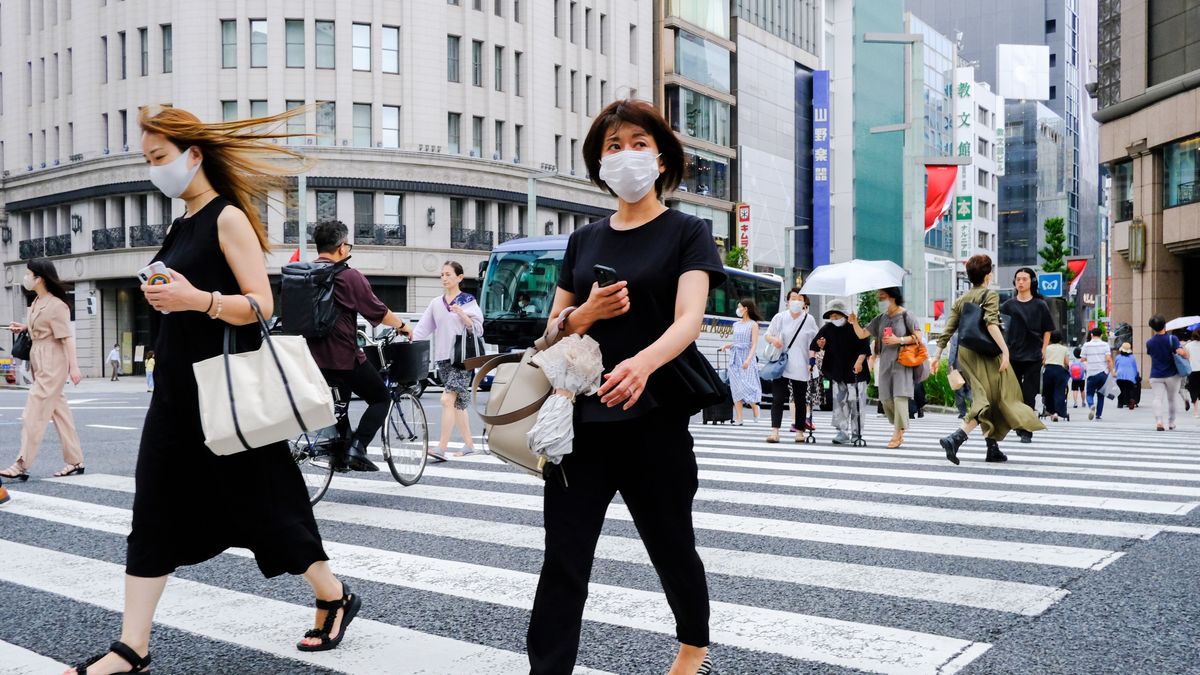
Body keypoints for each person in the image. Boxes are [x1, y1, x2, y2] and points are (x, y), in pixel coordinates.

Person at [64, 106, 359, 675]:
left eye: (159, 158)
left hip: (223, 394)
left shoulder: (226, 217)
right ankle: (132, 648)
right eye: (147, 160)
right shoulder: (180, 223)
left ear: (192, 154)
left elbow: (263, 305)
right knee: (153, 510)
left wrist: (197, 300)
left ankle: (333, 594)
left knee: (272, 508)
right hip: (175, 394)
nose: (153, 171)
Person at [532, 99, 722, 675]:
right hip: (581, 422)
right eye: (613, 147)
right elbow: (549, 332)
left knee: (671, 547)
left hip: (654, 419)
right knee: (564, 559)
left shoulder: (688, 232)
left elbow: (690, 318)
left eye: (638, 143)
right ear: (598, 164)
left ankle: (693, 646)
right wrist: (583, 314)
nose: (626, 156)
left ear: (661, 157)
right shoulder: (584, 241)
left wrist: (641, 364)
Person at [306, 220, 413, 472]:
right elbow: (378, 310)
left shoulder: (304, 274)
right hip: (342, 356)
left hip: (309, 357)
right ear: (342, 247)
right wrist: (402, 326)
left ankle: (339, 456)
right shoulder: (347, 276)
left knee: (338, 407)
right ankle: (358, 448)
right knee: (380, 398)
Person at [933, 255, 1045, 464]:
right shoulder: (989, 295)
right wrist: (1005, 351)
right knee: (996, 396)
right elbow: (992, 323)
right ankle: (956, 438)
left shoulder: (961, 299)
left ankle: (992, 448)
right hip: (986, 352)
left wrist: (937, 354)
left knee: (991, 397)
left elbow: (949, 328)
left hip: (966, 353)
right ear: (988, 275)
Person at [1, 259, 86, 482]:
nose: (26, 278)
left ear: (40, 278)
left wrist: (74, 367)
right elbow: (41, 323)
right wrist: (24, 327)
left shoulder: (57, 305)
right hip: (39, 358)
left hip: (52, 361)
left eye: (29, 274)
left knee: (34, 412)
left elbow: (67, 338)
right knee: (60, 413)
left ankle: (21, 463)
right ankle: (75, 461)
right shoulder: (38, 301)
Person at [412, 261, 484, 461]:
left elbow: (478, 329)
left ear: (460, 277)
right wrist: (407, 337)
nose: (444, 278)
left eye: (448, 274)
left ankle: (441, 447)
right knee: (458, 404)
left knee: (446, 399)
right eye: (442, 275)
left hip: (462, 359)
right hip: (443, 359)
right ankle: (469, 445)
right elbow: (422, 329)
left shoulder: (467, 300)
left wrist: (462, 315)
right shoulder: (436, 303)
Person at [849, 287, 925, 449]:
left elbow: (918, 337)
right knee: (885, 399)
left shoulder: (906, 315)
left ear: (893, 297)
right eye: (879, 297)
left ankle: (897, 433)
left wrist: (899, 340)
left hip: (902, 363)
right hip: (884, 365)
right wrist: (854, 322)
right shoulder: (881, 318)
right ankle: (899, 427)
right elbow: (862, 334)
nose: (880, 299)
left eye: (883, 296)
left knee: (899, 397)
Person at [1000, 267, 1054, 442]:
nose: (1020, 282)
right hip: (1013, 355)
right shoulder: (1007, 306)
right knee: (1013, 394)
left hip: (1033, 355)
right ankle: (1018, 423)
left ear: (1032, 281)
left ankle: (1027, 430)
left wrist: (1044, 349)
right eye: (1018, 279)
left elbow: (1047, 329)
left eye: (1024, 279)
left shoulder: (1040, 305)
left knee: (1029, 394)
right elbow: (1001, 330)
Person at [763, 290, 820, 443]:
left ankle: (799, 431)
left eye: (799, 298)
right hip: (781, 364)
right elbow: (767, 335)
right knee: (778, 398)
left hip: (801, 365)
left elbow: (814, 343)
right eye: (793, 298)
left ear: (804, 302)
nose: (796, 301)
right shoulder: (780, 317)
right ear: (787, 301)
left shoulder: (809, 319)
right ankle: (774, 431)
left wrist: (812, 362)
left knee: (800, 400)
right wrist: (774, 340)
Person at [811, 299, 870, 444]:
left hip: (856, 372)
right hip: (837, 372)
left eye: (836, 316)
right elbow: (815, 345)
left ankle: (857, 433)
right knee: (840, 403)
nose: (833, 319)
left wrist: (859, 362)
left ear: (843, 315)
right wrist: (820, 346)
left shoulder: (853, 327)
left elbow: (864, 347)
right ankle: (842, 432)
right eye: (831, 316)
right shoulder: (827, 329)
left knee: (856, 403)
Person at [718, 298, 763, 425]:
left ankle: (755, 406)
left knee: (749, 386)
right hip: (734, 358)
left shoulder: (753, 324)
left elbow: (754, 344)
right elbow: (736, 342)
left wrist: (748, 359)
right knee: (736, 387)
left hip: (747, 358)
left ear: (746, 308)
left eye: (739, 307)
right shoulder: (735, 325)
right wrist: (727, 346)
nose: (737, 309)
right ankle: (739, 418)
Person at [1146, 314, 1191, 432]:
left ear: (1152, 327)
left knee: (1157, 398)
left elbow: (1152, 355)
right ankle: (1171, 423)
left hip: (1155, 375)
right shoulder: (1172, 339)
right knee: (1172, 399)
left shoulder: (1149, 342)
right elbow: (1182, 353)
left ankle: (1159, 422)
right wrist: (1185, 352)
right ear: (1164, 325)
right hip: (1172, 375)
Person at [1080, 327, 1116, 421]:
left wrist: (1089, 358)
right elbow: (1108, 359)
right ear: (1101, 335)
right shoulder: (1105, 345)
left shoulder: (1086, 345)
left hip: (1091, 373)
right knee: (1101, 395)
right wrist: (1112, 372)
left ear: (1091, 335)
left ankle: (1091, 405)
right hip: (1103, 373)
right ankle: (1098, 415)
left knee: (1089, 394)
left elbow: (1082, 359)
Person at [1041, 331, 1071, 422]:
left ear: (1050, 339)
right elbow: (1066, 362)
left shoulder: (1047, 348)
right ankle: (1058, 412)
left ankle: (1051, 411)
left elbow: (1043, 361)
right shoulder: (1064, 349)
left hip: (1048, 370)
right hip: (1060, 371)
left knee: (1048, 392)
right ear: (1060, 339)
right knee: (1059, 392)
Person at [1114, 342, 1140, 410]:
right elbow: (1135, 369)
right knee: (1130, 390)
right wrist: (1135, 378)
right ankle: (1130, 401)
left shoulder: (1118, 357)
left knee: (1121, 390)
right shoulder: (1132, 358)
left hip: (1120, 376)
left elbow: (1116, 367)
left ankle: (1120, 404)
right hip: (1130, 377)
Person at [1187, 328, 1200, 418]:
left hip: (1192, 370)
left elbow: (1186, 357)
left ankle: (1196, 412)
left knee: (1193, 391)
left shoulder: (1188, 345)